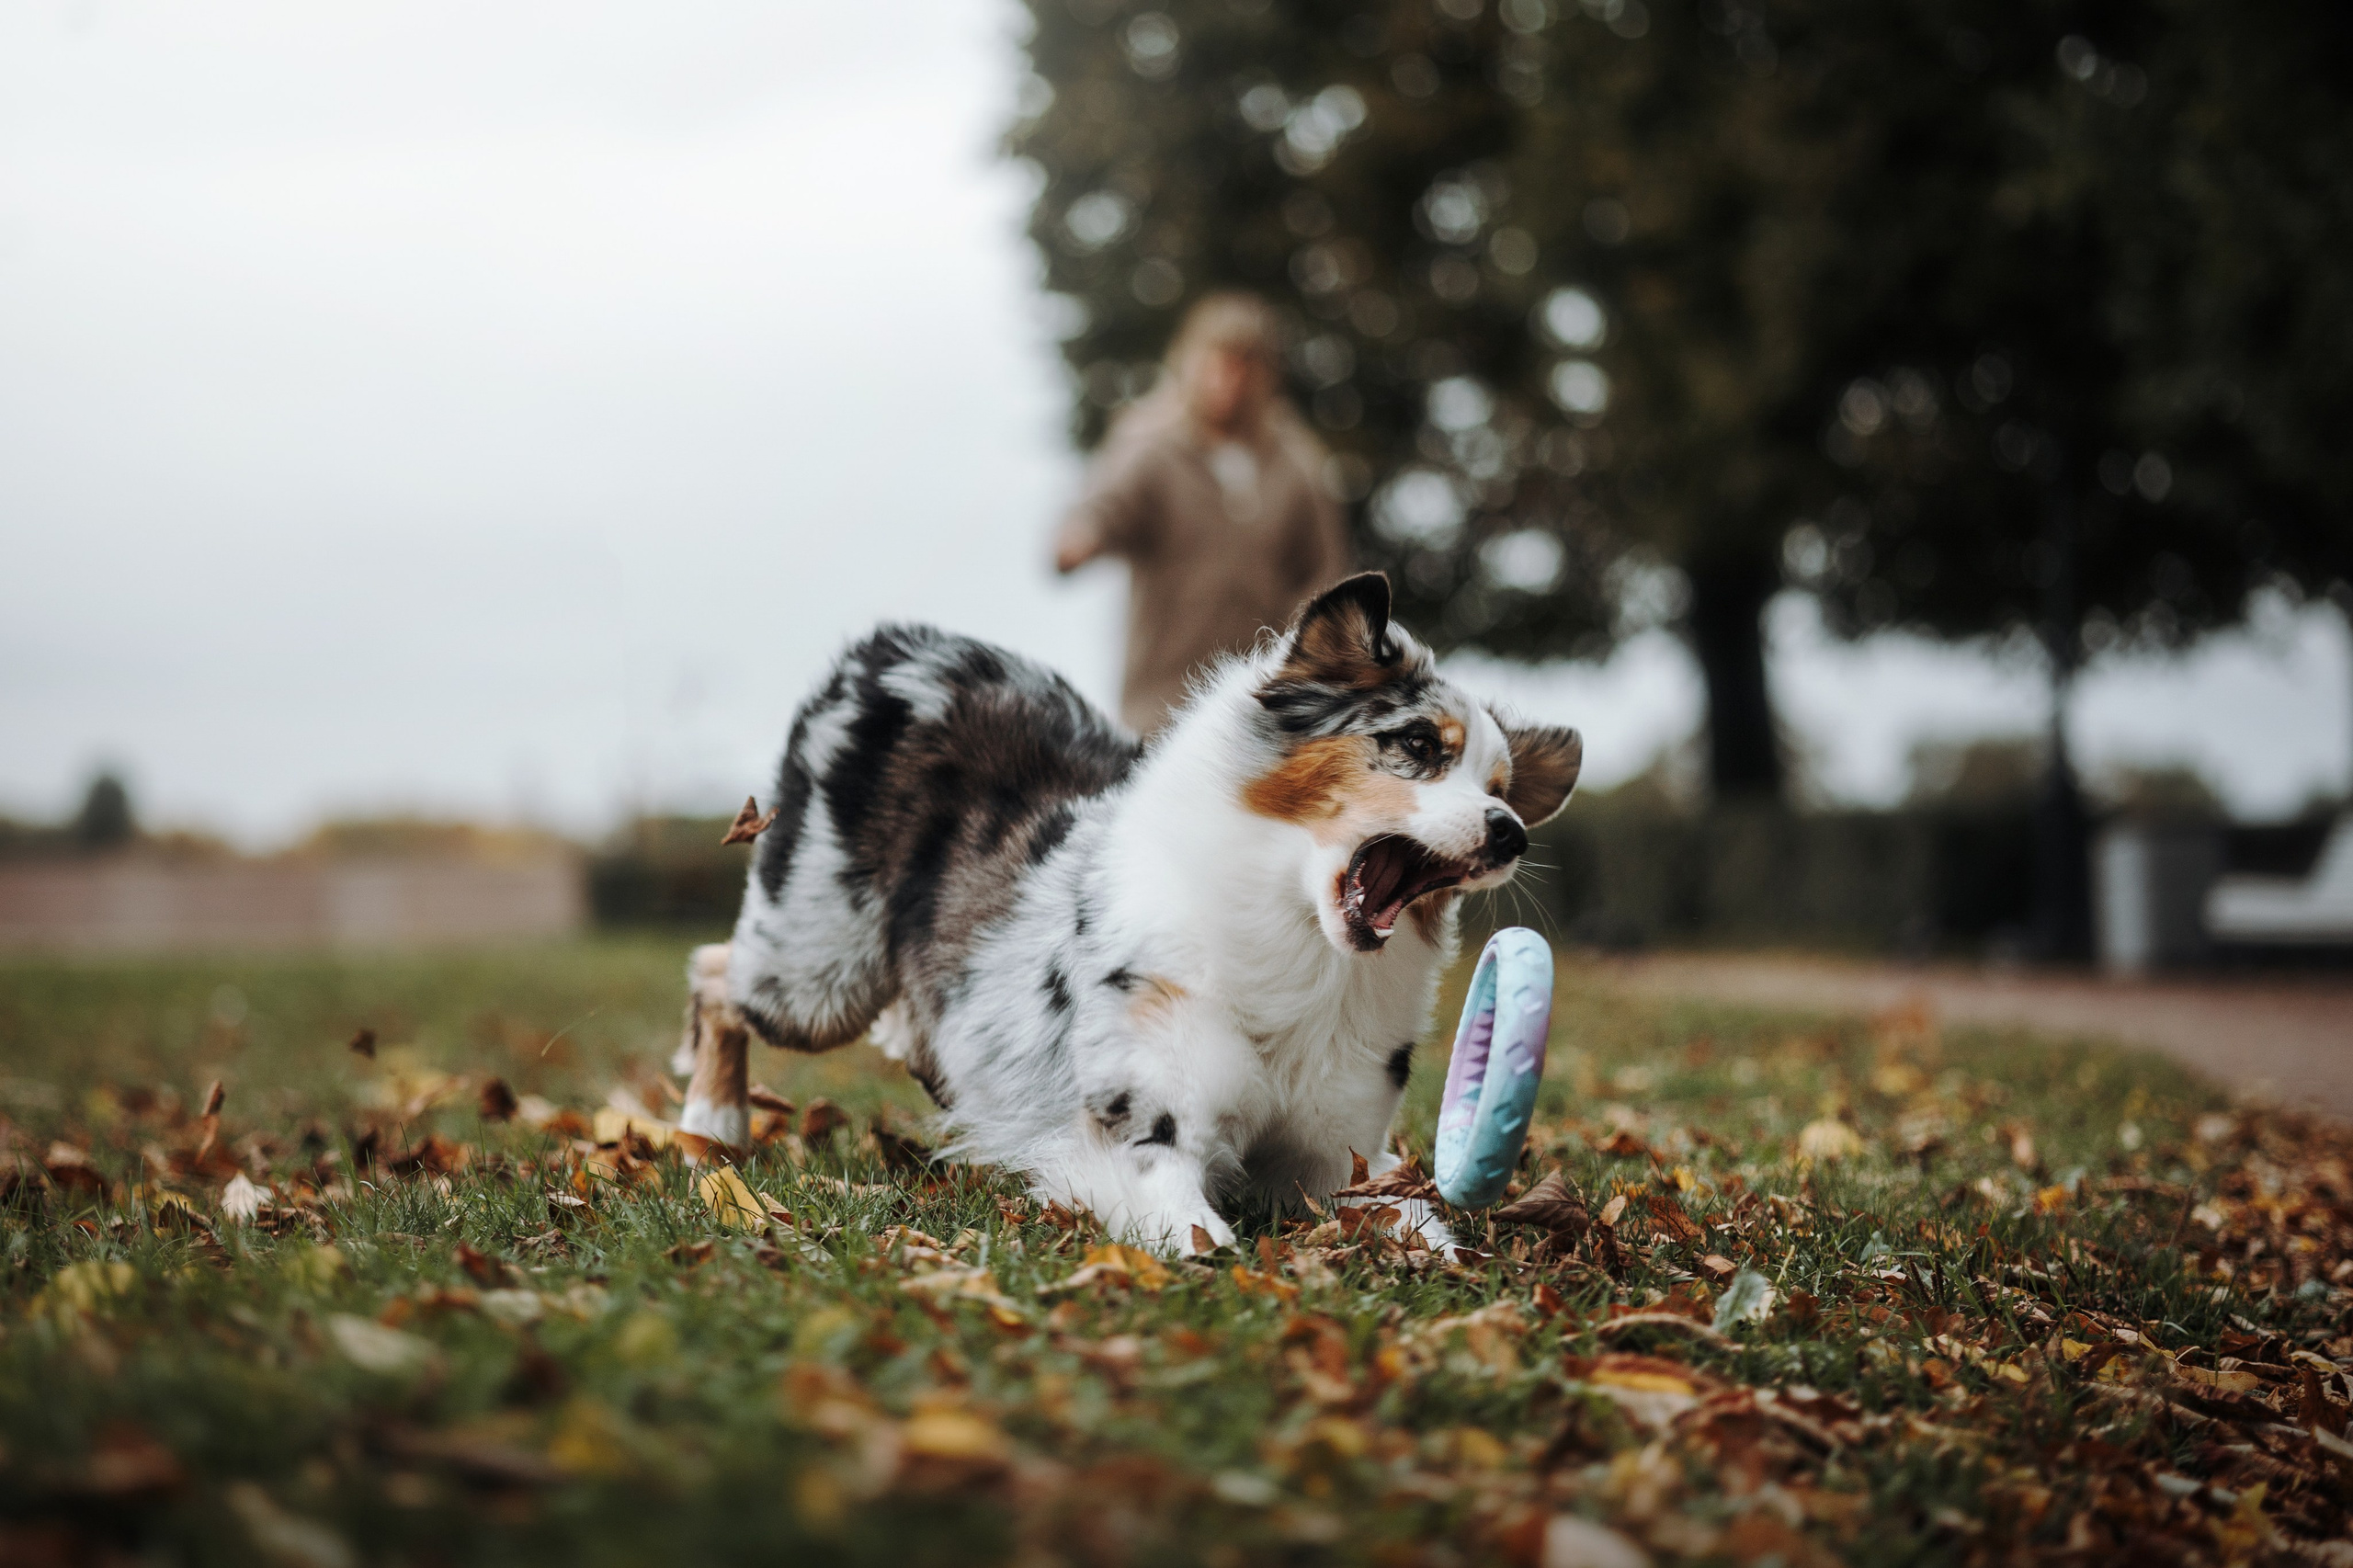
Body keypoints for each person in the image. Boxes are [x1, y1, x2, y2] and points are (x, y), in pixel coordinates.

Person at [1053, 291, 1353, 735]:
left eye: (1244, 367)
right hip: (1162, 700)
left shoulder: (1297, 465)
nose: (1228, 382)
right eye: (1216, 364)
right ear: (1188, 363)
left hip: (1261, 705)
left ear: (1267, 376)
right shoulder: (1154, 446)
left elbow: (1325, 571)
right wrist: (1081, 536)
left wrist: (1308, 660)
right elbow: (1108, 505)